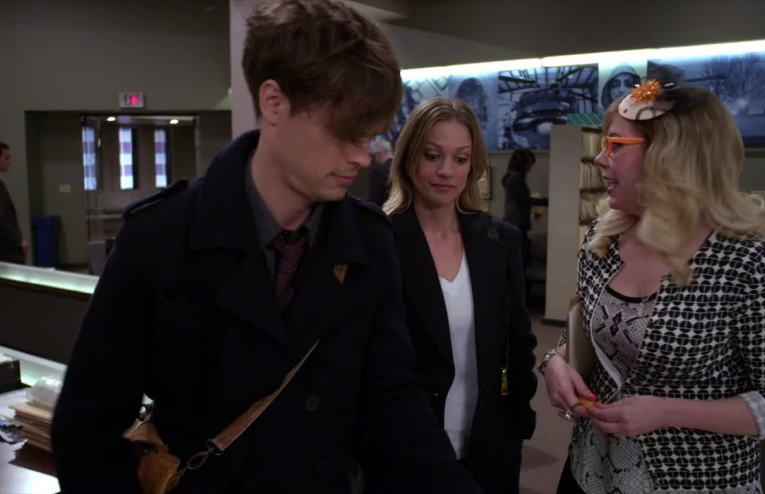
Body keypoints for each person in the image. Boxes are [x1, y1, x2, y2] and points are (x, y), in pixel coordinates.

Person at [50, 2, 482, 493]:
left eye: (369, 137)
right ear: (274, 102)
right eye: (345, 133)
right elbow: (87, 429)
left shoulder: (369, 241)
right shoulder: (159, 237)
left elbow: (396, 410)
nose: (362, 157)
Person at [540, 77, 765, 493]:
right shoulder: (603, 241)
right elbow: (588, 337)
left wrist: (666, 412)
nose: (601, 160)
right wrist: (555, 362)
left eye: (616, 146)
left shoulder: (746, 262)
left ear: (671, 157)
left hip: (692, 479)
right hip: (589, 471)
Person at [384, 98, 537, 494]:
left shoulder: (500, 241)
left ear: (473, 165)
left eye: (460, 158)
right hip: (406, 452)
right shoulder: (380, 241)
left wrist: (517, 423)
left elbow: (518, 344)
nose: (446, 171)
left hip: (491, 448)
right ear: (408, 157)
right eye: (432, 156)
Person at [501, 148, 536, 272]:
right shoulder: (516, 179)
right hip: (517, 222)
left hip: (513, 220)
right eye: (529, 164)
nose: (530, 168)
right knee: (520, 257)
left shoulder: (511, 177)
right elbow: (526, 199)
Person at [0, 142, 27, 263]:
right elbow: (2, 220)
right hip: (7, 250)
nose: (9, 161)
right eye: (6, 158)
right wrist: (17, 241)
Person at [366, 135, 393, 207]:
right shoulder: (401, 167)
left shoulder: (378, 172)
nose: (375, 157)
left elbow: (375, 199)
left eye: (375, 154)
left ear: (379, 154)